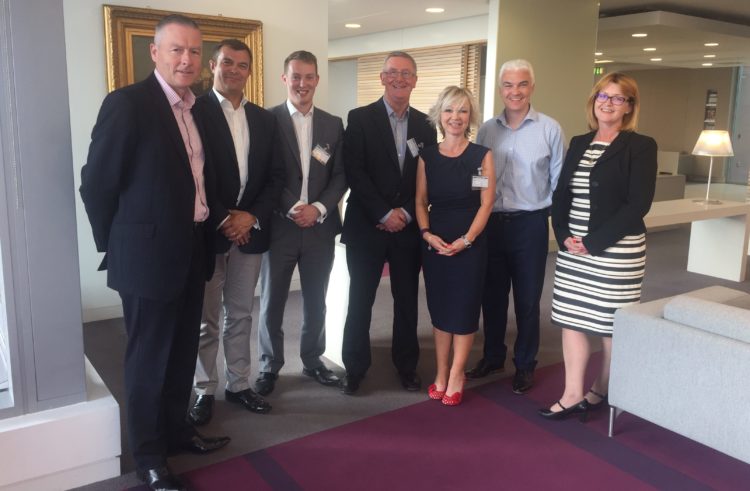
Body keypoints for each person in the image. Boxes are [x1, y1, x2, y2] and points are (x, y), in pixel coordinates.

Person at [80, 14, 230, 491]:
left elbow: (202, 178)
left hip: (193, 249)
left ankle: (177, 432)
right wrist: (121, 243)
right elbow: (96, 184)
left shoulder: (199, 109)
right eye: (176, 49)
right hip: (146, 258)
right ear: (155, 52)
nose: (186, 59)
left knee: (183, 352)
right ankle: (148, 456)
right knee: (148, 360)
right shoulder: (128, 104)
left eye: (194, 51)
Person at [540, 72, 657, 420]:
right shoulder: (579, 142)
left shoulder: (640, 146)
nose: (608, 103)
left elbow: (638, 204)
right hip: (573, 247)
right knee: (572, 318)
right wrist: (563, 234)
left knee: (610, 324)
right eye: (603, 96)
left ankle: (602, 388)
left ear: (629, 106)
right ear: (594, 101)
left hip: (615, 250)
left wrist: (593, 243)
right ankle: (572, 393)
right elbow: (561, 194)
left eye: (617, 98)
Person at [187, 39, 284, 427]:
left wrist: (250, 217)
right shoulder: (194, 111)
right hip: (210, 232)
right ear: (212, 66)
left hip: (251, 231)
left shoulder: (263, 119)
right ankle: (203, 389)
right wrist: (225, 219)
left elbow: (275, 177)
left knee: (241, 314)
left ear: (249, 71)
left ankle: (239, 384)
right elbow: (193, 174)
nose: (234, 70)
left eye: (242, 65)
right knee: (206, 319)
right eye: (227, 62)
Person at [339, 51, 438, 395]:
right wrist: (383, 213)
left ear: (415, 81)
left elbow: (428, 176)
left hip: (407, 229)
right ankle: (354, 368)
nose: (399, 79)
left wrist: (406, 213)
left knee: (407, 300)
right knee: (360, 299)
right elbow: (355, 172)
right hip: (367, 227)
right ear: (382, 78)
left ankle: (407, 366)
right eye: (393, 72)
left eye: (406, 73)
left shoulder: (426, 124)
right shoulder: (359, 118)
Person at [468, 59, 565, 395]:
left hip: (530, 225)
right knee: (492, 297)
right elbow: (478, 177)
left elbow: (559, 183)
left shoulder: (550, 129)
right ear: (500, 90)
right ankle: (493, 356)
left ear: (532, 87)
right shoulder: (486, 131)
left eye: (522, 84)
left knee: (527, 299)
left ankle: (525, 363)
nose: (515, 91)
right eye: (508, 85)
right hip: (492, 223)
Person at [254, 50, 347, 396]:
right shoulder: (266, 120)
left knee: (316, 300)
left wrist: (319, 208)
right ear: (284, 78)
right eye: (296, 76)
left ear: (317, 80)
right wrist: (293, 206)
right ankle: (269, 365)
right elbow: (263, 174)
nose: (302, 84)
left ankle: (312, 359)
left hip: (320, 228)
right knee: (272, 301)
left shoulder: (333, 124)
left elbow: (341, 175)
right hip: (280, 226)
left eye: (309, 77)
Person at [416, 86, 495, 406]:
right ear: (440, 115)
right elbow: (420, 201)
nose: (455, 117)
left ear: (470, 116)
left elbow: (486, 204)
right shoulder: (427, 156)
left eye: (462, 110)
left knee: (463, 309)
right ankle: (441, 371)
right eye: (449, 110)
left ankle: (457, 373)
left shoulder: (482, 155)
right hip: (436, 243)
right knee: (440, 308)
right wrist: (426, 233)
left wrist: (467, 240)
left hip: (470, 244)